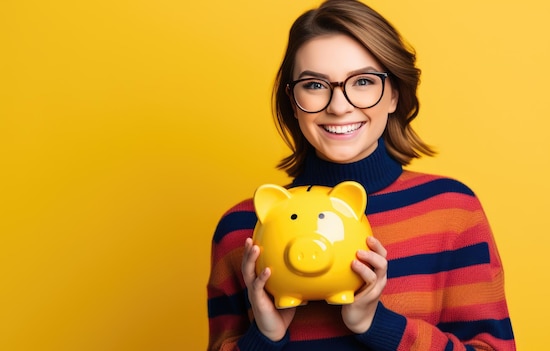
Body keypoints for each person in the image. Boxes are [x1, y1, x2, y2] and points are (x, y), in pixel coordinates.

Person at [207, 0, 516, 350]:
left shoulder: (450, 210)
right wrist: (265, 337)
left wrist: (378, 324)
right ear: (292, 101)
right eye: (314, 85)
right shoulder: (242, 230)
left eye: (364, 81)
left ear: (394, 94)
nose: (339, 106)